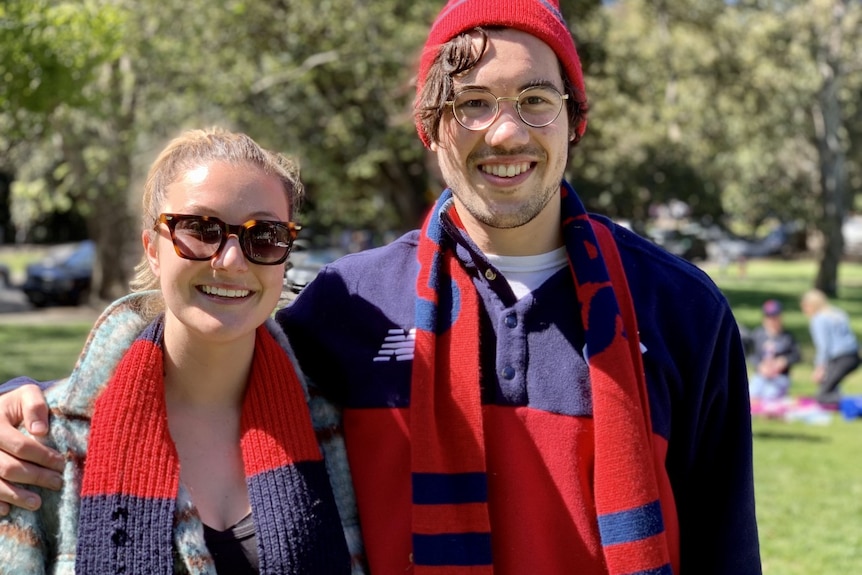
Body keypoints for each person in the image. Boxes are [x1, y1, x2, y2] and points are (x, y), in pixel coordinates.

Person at [0, 1, 761, 573]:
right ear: (430, 128)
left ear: (574, 120)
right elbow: (205, 349)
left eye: (536, 99)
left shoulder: (682, 311)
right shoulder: (350, 306)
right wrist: (29, 404)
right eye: (471, 103)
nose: (507, 132)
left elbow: (726, 547)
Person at [0, 128, 362, 574]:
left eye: (264, 235)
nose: (230, 260)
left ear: (285, 255)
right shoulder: (40, 445)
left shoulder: (337, 428)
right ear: (153, 249)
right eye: (200, 229)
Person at [800, 288, 860, 408]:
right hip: (854, 355)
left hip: (840, 358)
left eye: (805, 306)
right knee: (830, 387)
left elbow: (824, 346)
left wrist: (819, 368)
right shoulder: (837, 313)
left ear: (812, 305)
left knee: (822, 396)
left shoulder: (818, 319)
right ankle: (842, 403)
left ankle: (854, 403)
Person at [748, 299, 801, 412]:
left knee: (770, 395)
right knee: (750, 394)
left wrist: (784, 361)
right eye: (769, 317)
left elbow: (796, 355)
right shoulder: (758, 335)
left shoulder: (787, 337)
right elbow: (751, 354)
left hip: (779, 377)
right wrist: (760, 366)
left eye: (775, 317)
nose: (772, 321)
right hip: (761, 376)